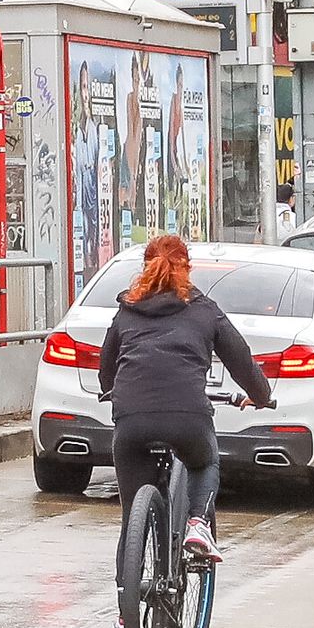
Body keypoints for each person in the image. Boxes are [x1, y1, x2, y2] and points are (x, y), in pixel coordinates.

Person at [92, 232, 273, 570]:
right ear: (187, 269)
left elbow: (107, 366)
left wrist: (110, 389)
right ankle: (198, 524)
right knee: (205, 462)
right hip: (188, 417)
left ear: (144, 268)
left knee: (132, 519)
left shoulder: (127, 311)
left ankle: (124, 615)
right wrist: (260, 396)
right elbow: (241, 361)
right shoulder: (205, 310)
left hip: (132, 420)